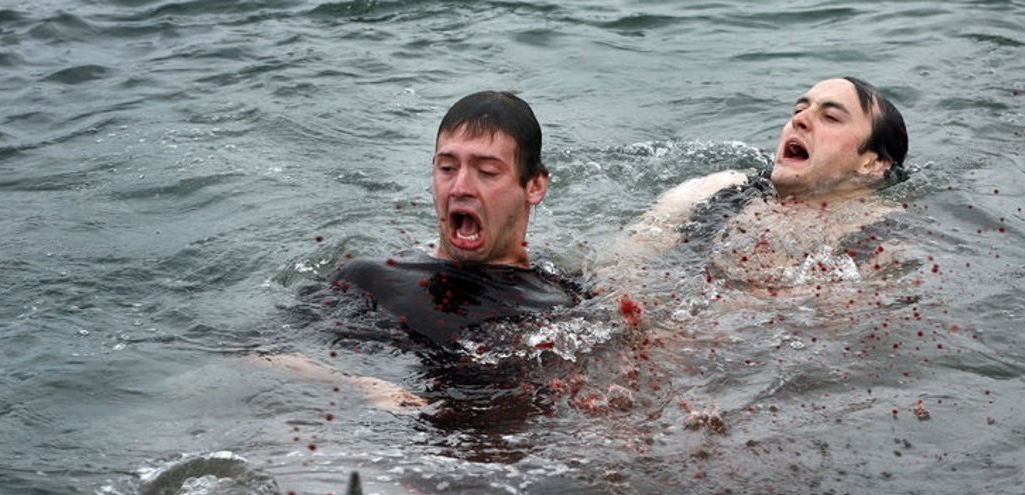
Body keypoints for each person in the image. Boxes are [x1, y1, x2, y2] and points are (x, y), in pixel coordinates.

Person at [268, 91, 581, 415]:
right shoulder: (369, 278)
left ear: (534, 186)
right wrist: (363, 386)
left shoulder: (564, 301)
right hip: (383, 433)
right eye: (447, 168)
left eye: (487, 172)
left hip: (512, 440)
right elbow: (261, 352)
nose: (460, 187)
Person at [598, 77, 910, 295]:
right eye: (799, 110)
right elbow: (617, 268)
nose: (799, 120)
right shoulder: (718, 190)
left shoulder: (883, 242)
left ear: (871, 164)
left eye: (830, 117)